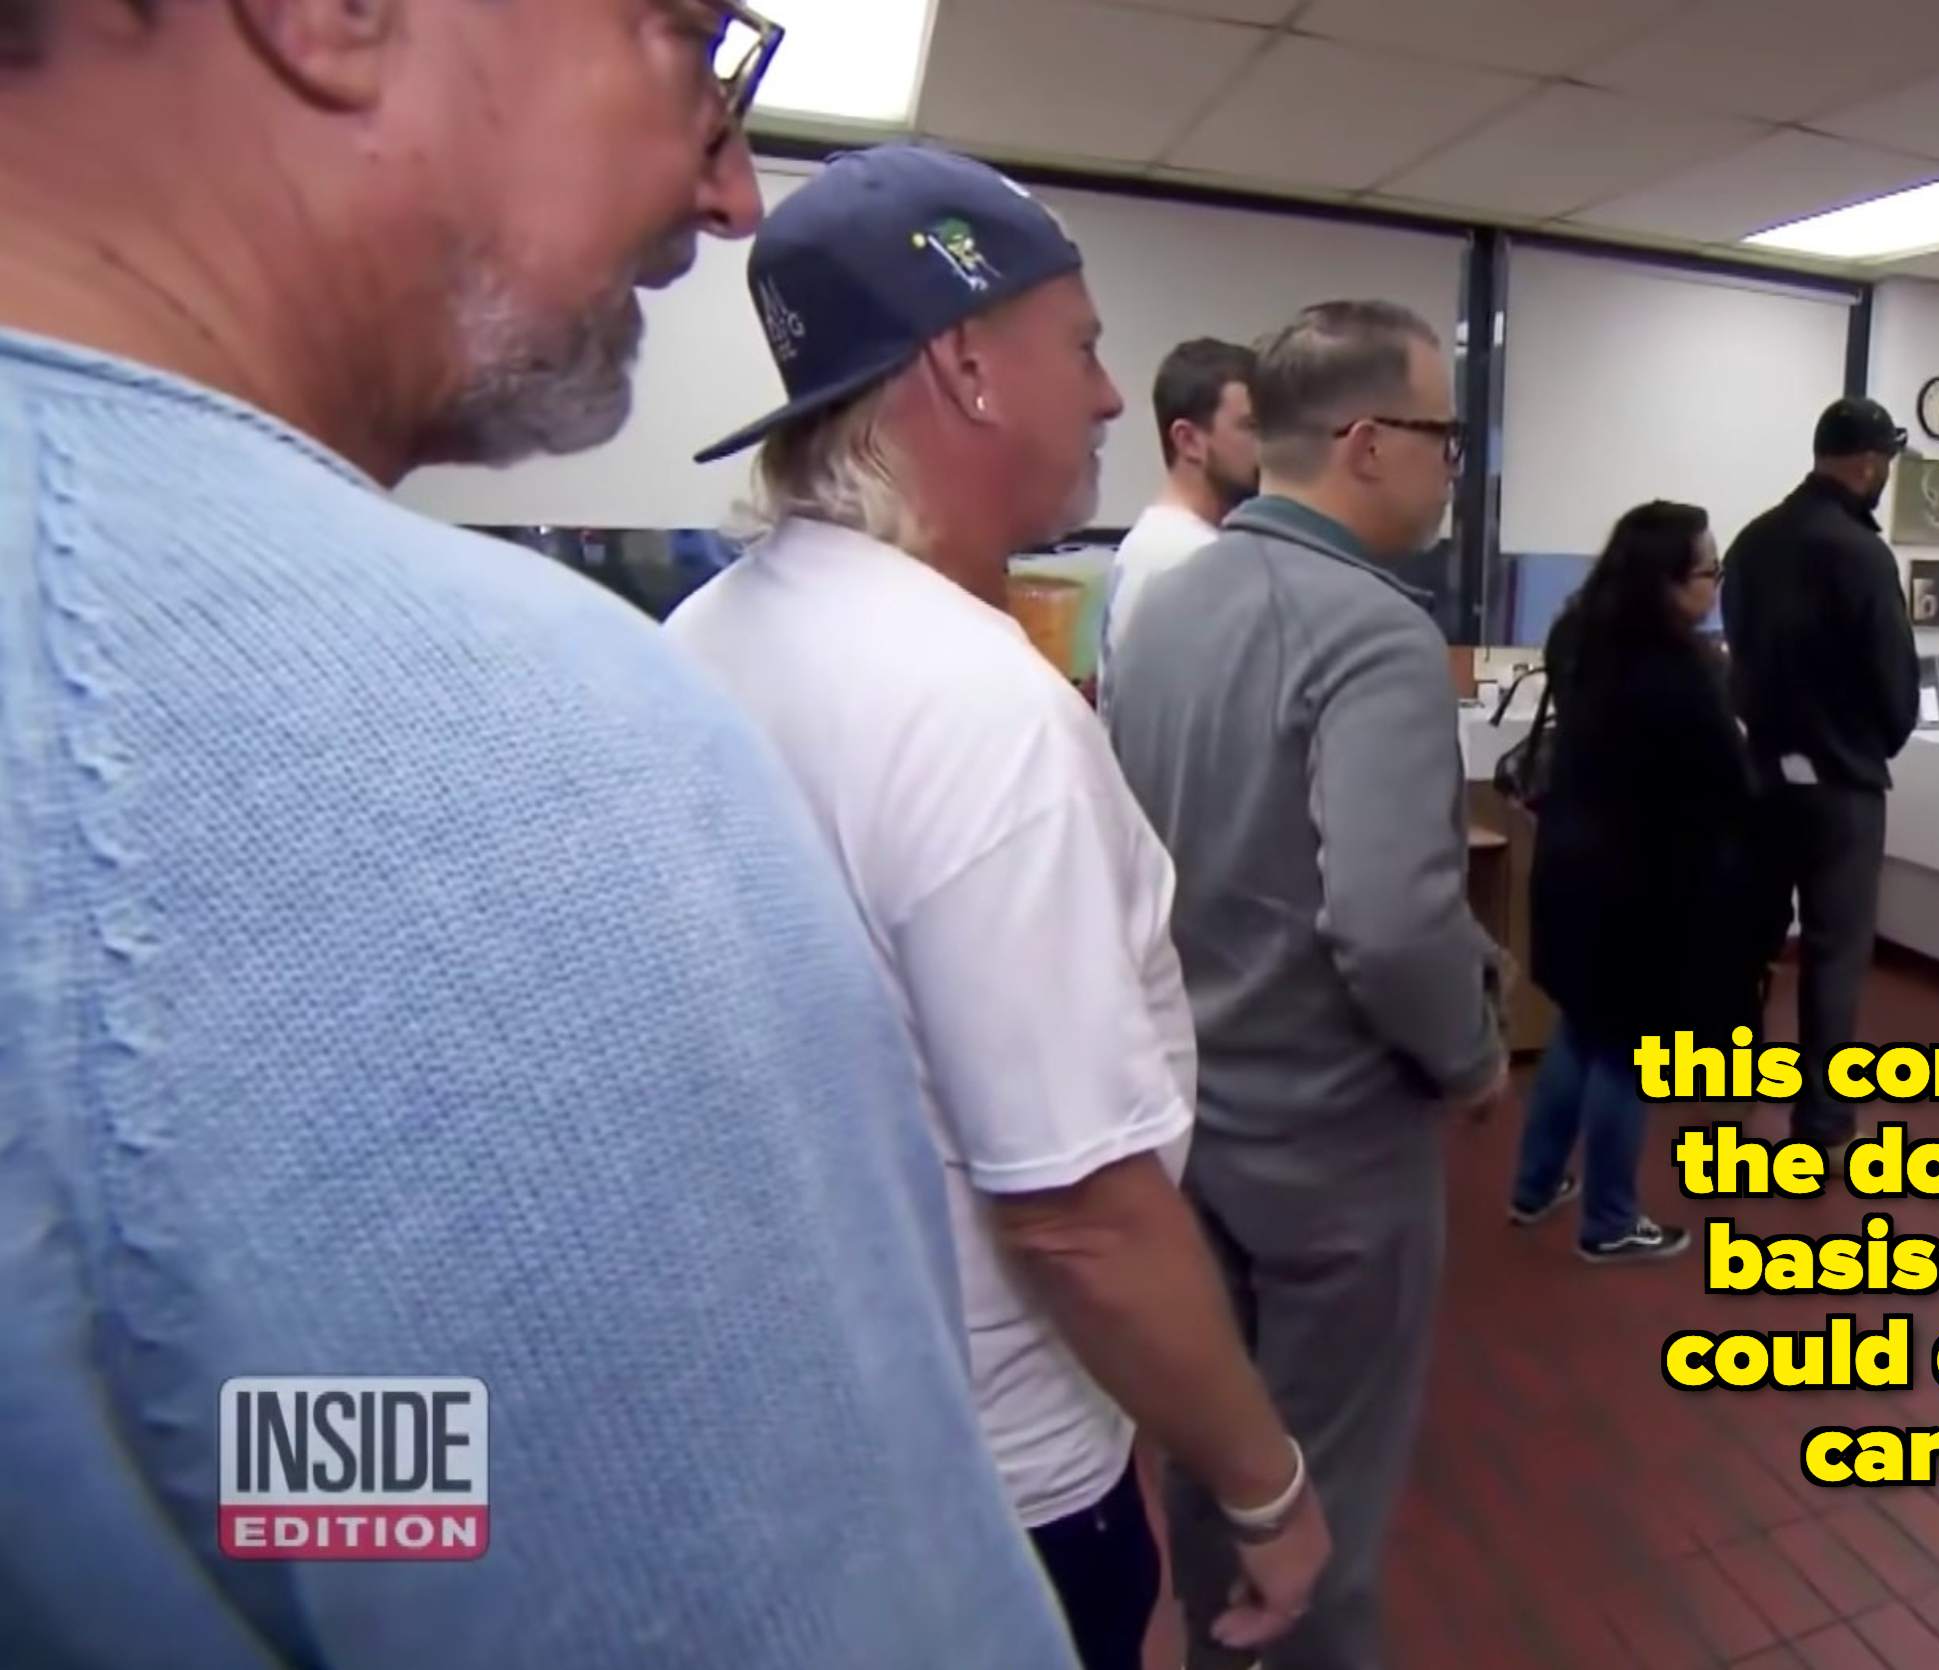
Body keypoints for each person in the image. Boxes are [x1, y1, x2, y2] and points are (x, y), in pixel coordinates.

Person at [0, 11, 1078, 1669]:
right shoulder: (494, 743)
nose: (728, 191)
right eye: (678, 35)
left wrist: (275, 1478)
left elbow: (311, 1466)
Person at [665, 146, 1328, 1670]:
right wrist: (1265, 1481)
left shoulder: (708, 634)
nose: (1109, 397)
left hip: (807, 1426)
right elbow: (1081, 1215)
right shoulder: (976, 710)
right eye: (1083, 344)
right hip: (1004, 1491)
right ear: (965, 366)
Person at [1104, 299, 1505, 1670]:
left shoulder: (1164, 607)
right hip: (1335, 1151)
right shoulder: (1374, 632)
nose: (1458, 464)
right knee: (1325, 1505)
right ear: (1368, 440)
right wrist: (1470, 1054)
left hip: (1191, 1122)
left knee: (1226, 1476)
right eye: (1446, 434)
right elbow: (1391, 923)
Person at [1512, 502, 1784, 1263]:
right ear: (1666, 582)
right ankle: (1609, 1220)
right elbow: (1728, 787)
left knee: (1582, 1028)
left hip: (1570, 865)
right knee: (1633, 1052)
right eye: (1707, 571)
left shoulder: (1579, 637)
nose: (1717, 585)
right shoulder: (1683, 674)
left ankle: (1534, 1184)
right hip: (1643, 888)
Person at [1721, 397, 1922, 1156]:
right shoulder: (1863, 554)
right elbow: (1893, 681)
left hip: (1762, 771)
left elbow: (1737, 648)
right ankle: (1822, 1123)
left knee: (1746, 943)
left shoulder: (1752, 541)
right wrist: (1874, 742)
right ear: (1870, 463)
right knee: (1836, 955)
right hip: (1841, 787)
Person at [1103, 336, 1259, 688]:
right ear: (1188, 440)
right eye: (1251, 427)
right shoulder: (1187, 558)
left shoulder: (1153, 544)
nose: (1266, 447)